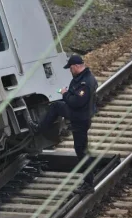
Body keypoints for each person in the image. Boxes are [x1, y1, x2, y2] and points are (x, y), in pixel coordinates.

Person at [27, 54, 98, 195]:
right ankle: (42, 129)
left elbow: (77, 102)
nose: (70, 71)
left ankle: (88, 184)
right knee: (57, 106)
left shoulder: (86, 82)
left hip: (80, 119)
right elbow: (74, 96)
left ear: (77, 66)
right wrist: (66, 93)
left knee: (82, 152)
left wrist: (65, 94)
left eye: (70, 68)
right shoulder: (81, 79)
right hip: (79, 116)